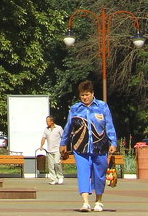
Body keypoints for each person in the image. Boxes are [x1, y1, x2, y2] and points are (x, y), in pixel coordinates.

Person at [61, 80, 116, 213]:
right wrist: (63, 143)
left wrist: (113, 142)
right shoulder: (75, 108)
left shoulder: (102, 107)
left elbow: (109, 125)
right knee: (83, 173)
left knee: (99, 174)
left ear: (92, 94)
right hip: (80, 148)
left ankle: (98, 201)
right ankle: (85, 202)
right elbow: (68, 127)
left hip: (100, 147)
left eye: (87, 95)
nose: (84, 98)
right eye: (82, 95)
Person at [38, 115, 65, 185]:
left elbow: (64, 137)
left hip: (57, 150)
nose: (47, 123)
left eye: (48, 121)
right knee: (51, 165)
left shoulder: (59, 128)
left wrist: (64, 147)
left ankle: (60, 176)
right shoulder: (46, 129)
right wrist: (41, 146)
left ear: (52, 121)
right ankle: (54, 179)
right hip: (49, 150)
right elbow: (43, 138)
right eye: (46, 121)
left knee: (57, 163)